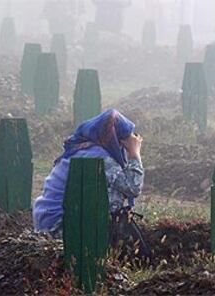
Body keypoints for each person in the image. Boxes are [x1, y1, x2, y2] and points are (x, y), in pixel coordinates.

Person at [33, 109, 151, 258]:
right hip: (62, 224)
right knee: (121, 221)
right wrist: (135, 153)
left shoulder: (82, 149)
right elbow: (133, 187)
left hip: (51, 220)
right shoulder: (98, 157)